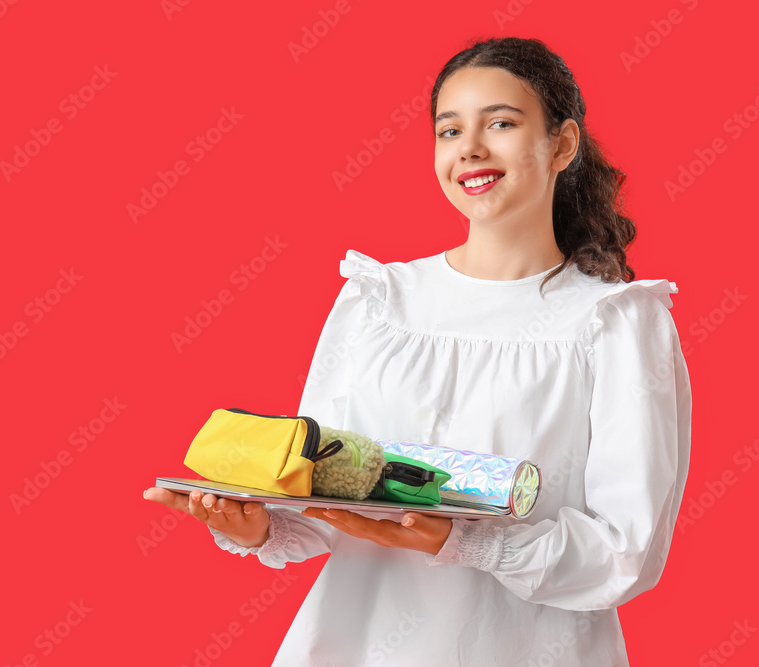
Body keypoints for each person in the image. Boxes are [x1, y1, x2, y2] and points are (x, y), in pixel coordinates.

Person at [144, 35, 692, 666]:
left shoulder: (615, 321)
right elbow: (327, 486)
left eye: (502, 124)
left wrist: (471, 543)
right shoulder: (378, 302)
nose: (471, 150)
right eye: (449, 130)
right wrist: (261, 525)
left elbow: (627, 551)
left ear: (563, 144)